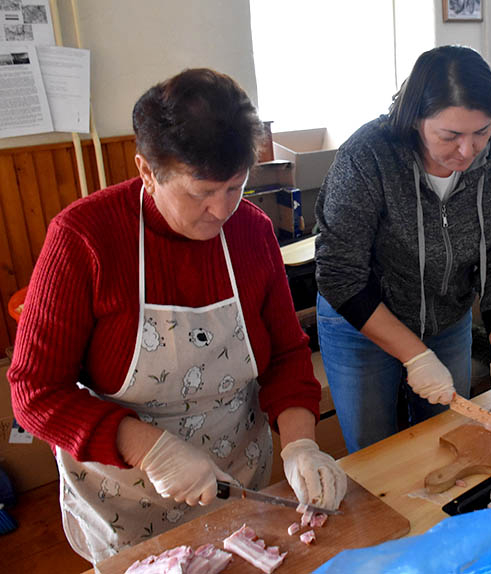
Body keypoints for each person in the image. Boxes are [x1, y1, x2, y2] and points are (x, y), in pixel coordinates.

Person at [7, 69, 346, 564]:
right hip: (128, 498)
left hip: (236, 477)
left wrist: (300, 446)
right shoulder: (84, 238)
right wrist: (151, 449)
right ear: (147, 171)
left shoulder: (252, 232)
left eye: (235, 187)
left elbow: (286, 355)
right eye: (200, 192)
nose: (221, 210)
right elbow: (34, 392)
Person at [314, 45, 491, 453]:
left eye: (482, 132)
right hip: (361, 322)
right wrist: (415, 356)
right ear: (416, 118)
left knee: (446, 444)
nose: (467, 151)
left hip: (446, 318)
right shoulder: (367, 157)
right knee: (375, 454)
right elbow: (339, 273)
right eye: (450, 136)